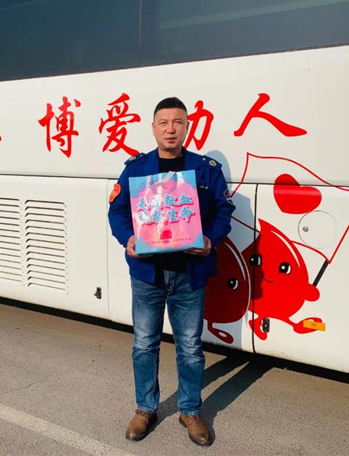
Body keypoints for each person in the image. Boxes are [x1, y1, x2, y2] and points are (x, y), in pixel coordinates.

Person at [108, 97, 235, 446]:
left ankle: (190, 410)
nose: (170, 129)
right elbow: (117, 211)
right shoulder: (136, 169)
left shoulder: (205, 169)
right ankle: (145, 408)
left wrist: (209, 240)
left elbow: (224, 211)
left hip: (189, 275)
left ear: (187, 127)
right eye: (163, 122)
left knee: (190, 347)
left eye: (178, 122)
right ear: (153, 128)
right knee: (144, 344)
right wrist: (128, 238)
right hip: (148, 273)